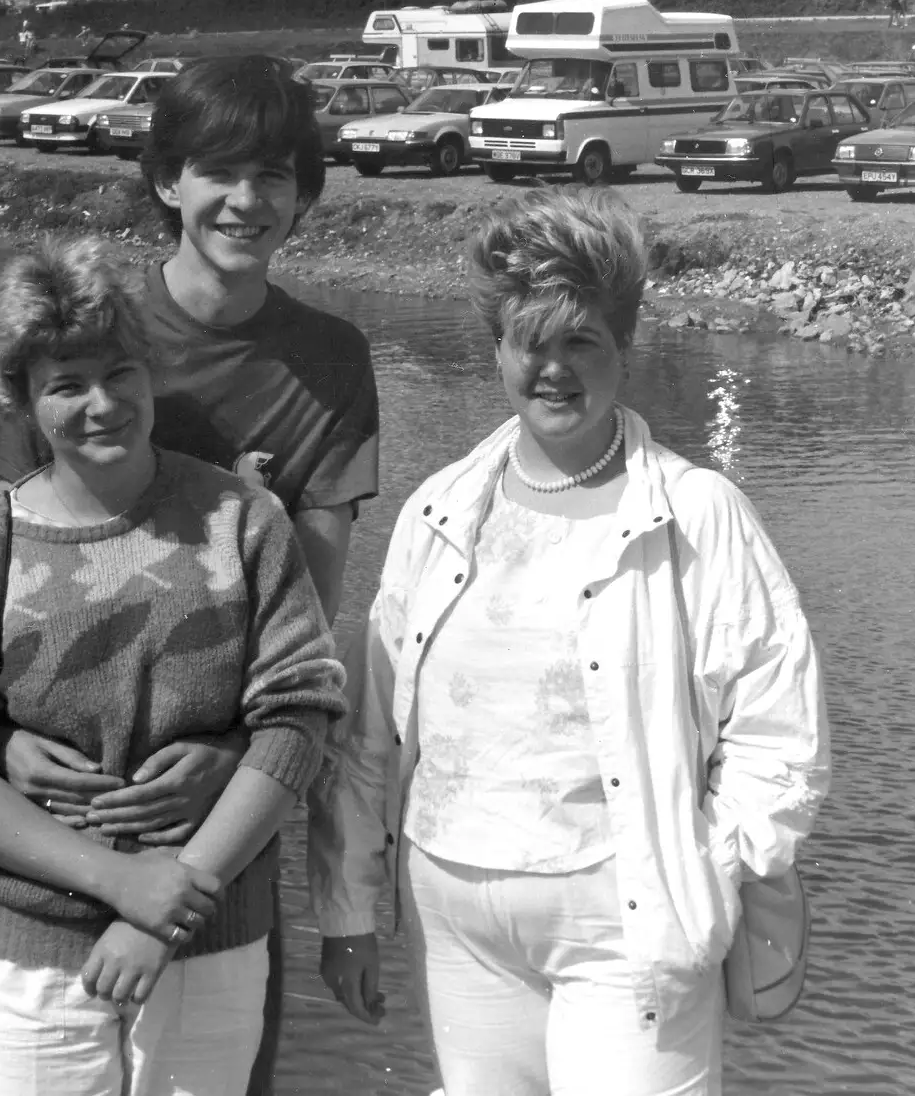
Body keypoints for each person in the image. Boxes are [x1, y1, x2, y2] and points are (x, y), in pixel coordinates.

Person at [312, 187, 830, 1096]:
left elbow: (779, 736)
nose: (553, 370)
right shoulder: (437, 511)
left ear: (625, 350)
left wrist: (708, 869)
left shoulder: (699, 514)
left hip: (625, 924)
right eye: (529, 342)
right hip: (454, 916)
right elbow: (372, 736)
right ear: (497, 350)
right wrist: (350, 907)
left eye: (580, 341)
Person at [0, 55, 379, 1096]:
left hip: (217, 810)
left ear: (305, 190)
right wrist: (0, 739)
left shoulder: (331, 360)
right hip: (58, 806)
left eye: (275, 174)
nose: (248, 200)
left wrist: (238, 751)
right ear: (166, 180)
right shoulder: (98, 327)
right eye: (219, 170)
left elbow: (312, 630)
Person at [0, 237, 347, 1094]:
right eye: (66, 385)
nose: (102, 405)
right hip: (21, 957)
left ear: (149, 371)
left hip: (207, 942)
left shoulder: (244, 523)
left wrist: (171, 903)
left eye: (120, 374)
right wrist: (117, 882)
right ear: (19, 398)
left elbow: (300, 718)